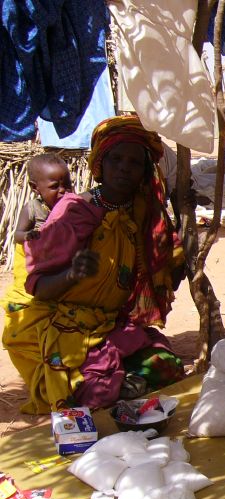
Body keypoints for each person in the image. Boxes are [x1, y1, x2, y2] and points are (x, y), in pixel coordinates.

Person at [2, 116, 186, 414]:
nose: (124, 167)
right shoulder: (73, 212)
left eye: (134, 162)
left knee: (167, 367)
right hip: (68, 328)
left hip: (113, 325)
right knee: (93, 395)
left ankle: (119, 376)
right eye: (116, 159)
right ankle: (108, 382)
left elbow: (164, 276)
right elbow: (40, 289)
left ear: (143, 171)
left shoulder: (144, 216)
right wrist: (72, 273)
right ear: (101, 163)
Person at [14, 154, 73, 243]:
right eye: (54, 186)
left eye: (67, 184)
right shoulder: (33, 208)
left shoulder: (73, 206)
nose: (62, 190)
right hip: (40, 254)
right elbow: (17, 235)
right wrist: (28, 235)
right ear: (34, 187)